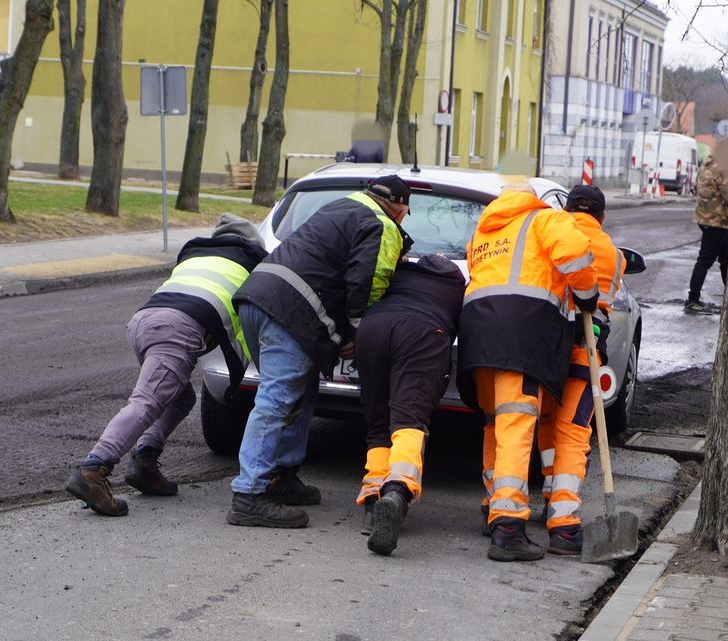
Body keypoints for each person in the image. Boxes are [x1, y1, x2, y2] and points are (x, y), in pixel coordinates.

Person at [228, 174, 412, 528]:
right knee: (277, 400)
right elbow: (369, 281)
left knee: (299, 393)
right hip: (289, 312)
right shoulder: (381, 223)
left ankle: (280, 476)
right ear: (401, 208)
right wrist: (359, 333)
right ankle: (249, 494)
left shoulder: (340, 207)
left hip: (256, 298)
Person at [65, 214, 267, 516]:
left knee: (181, 396)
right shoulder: (252, 267)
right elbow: (247, 327)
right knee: (146, 402)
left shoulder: (196, 255)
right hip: (178, 327)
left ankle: (144, 462)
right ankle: (93, 470)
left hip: (143, 321)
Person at [458, 180, 599, 562]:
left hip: (477, 334)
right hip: (521, 335)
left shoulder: (484, 230)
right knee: (518, 426)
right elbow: (574, 253)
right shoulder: (545, 219)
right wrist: (587, 295)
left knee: (495, 423)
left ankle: (494, 506)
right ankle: (508, 527)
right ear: (531, 198)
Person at [353, 253, 465, 556]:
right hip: (422, 331)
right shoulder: (457, 284)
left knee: (378, 423)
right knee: (408, 419)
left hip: (373, 328)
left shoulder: (399, 274)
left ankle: (374, 502)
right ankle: (397, 490)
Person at [536, 185, 624, 555]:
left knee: (543, 421)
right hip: (584, 351)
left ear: (567, 208)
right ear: (601, 217)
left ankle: (547, 494)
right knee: (573, 431)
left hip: (543, 346)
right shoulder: (615, 256)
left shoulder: (548, 232)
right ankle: (564, 524)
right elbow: (608, 300)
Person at [684, 154, 728, 315]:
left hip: (705, 219)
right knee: (705, 261)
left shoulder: (706, 166)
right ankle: (692, 299)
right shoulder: (724, 169)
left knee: (725, 259)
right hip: (716, 221)